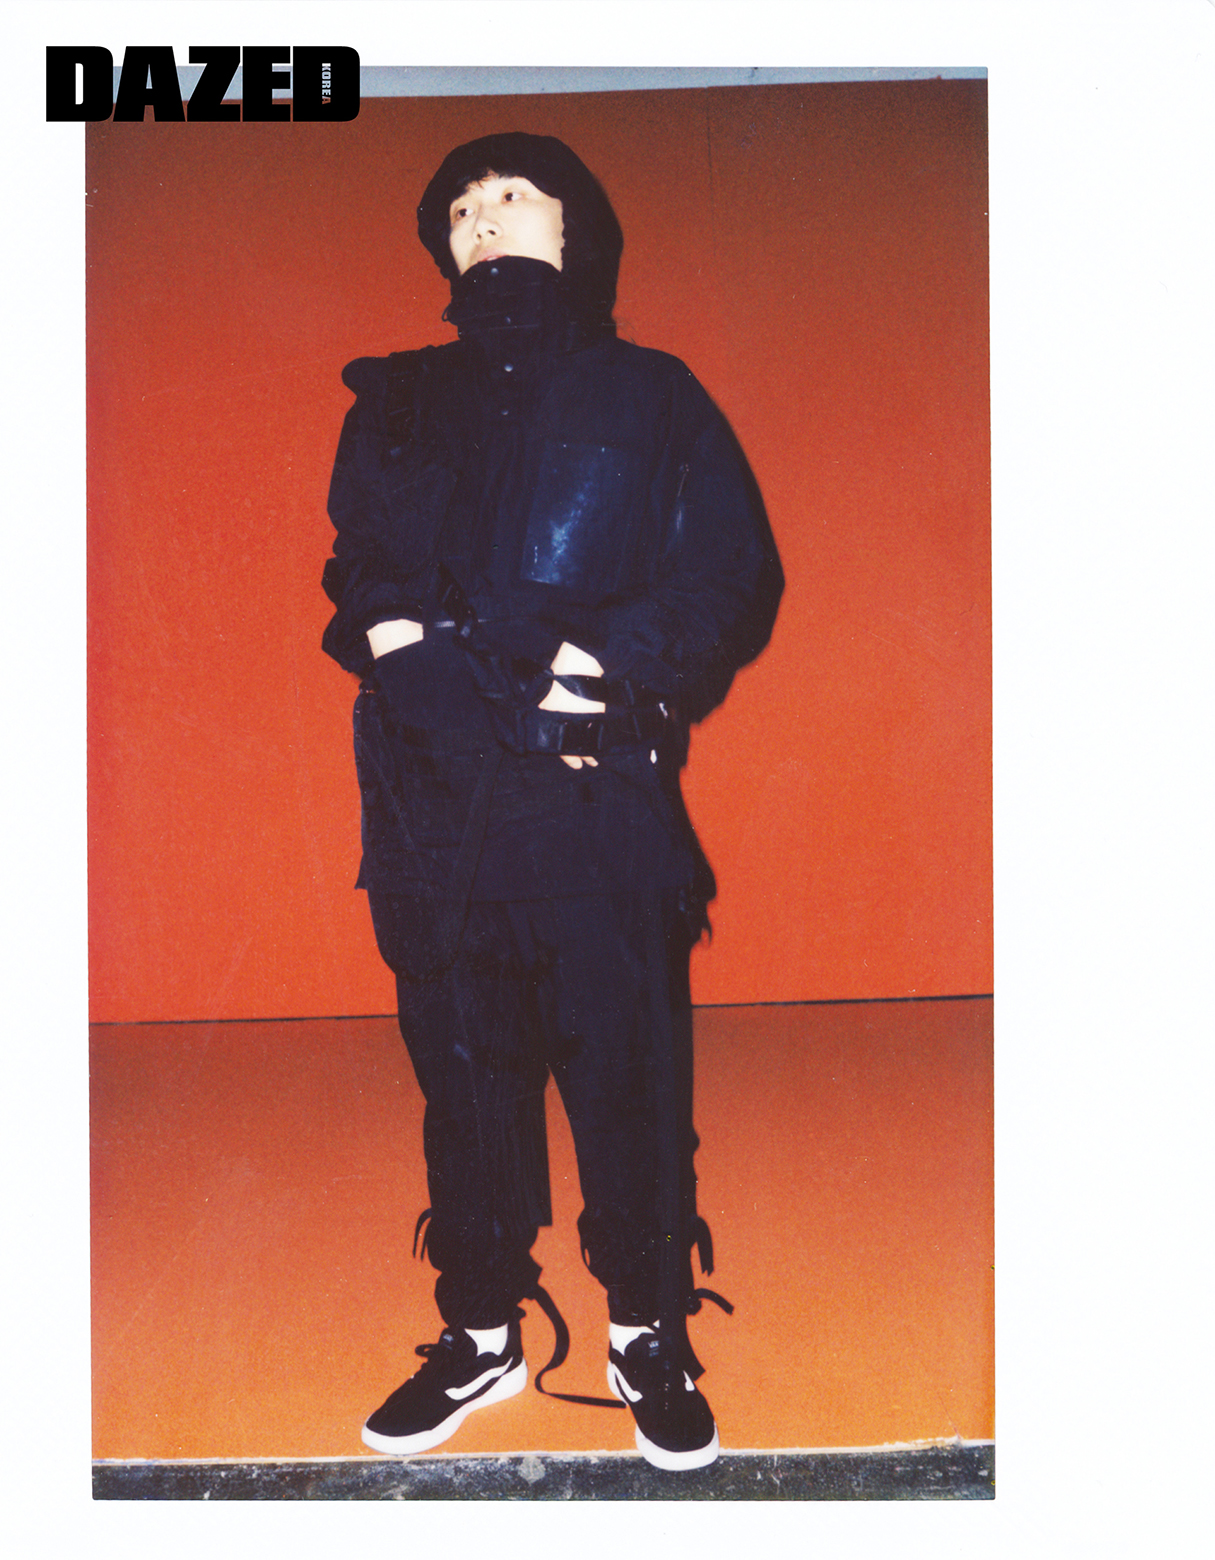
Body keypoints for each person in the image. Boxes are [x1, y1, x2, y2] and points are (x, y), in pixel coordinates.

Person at [321, 132, 782, 1472]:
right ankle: (480, 1333)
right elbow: (363, 571)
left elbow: (731, 574)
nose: (482, 216)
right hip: (435, 798)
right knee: (463, 1081)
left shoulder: (652, 394)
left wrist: (602, 669)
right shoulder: (396, 398)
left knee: (627, 1075)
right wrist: (414, 662)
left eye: (510, 195)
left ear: (572, 229)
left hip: (594, 792)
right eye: (460, 206)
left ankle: (644, 1325)